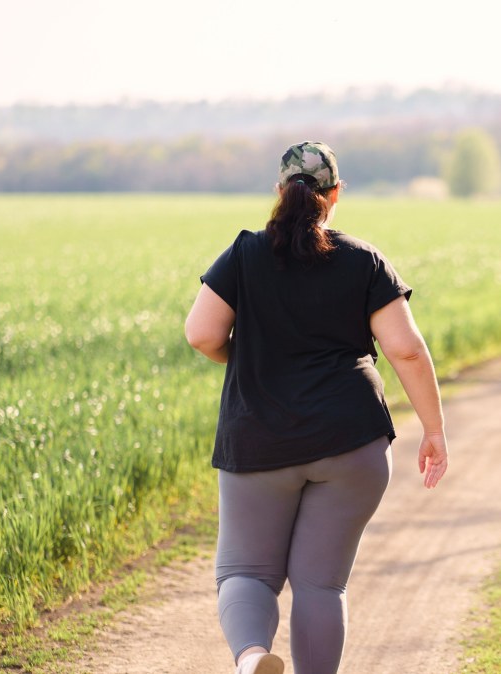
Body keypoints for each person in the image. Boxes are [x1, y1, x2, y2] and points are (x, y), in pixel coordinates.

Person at [184, 141, 449, 674]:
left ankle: (251, 658)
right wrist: (434, 430)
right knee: (321, 584)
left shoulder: (244, 253)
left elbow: (201, 334)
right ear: (335, 194)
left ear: (280, 191)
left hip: (259, 438)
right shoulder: (363, 260)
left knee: (246, 572)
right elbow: (405, 350)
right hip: (351, 440)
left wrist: (247, 355)